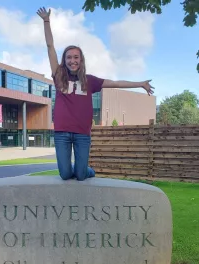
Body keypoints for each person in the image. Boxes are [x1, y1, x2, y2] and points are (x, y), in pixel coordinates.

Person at [37, 7, 154, 181]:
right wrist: (46, 21)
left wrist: (140, 84)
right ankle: (81, 168)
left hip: (82, 133)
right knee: (65, 174)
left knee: (81, 175)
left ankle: (86, 170)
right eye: (69, 57)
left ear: (81, 60)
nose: (72, 61)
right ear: (64, 60)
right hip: (62, 132)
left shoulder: (90, 81)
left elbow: (115, 83)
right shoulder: (59, 75)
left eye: (76, 57)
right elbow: (50, 46)